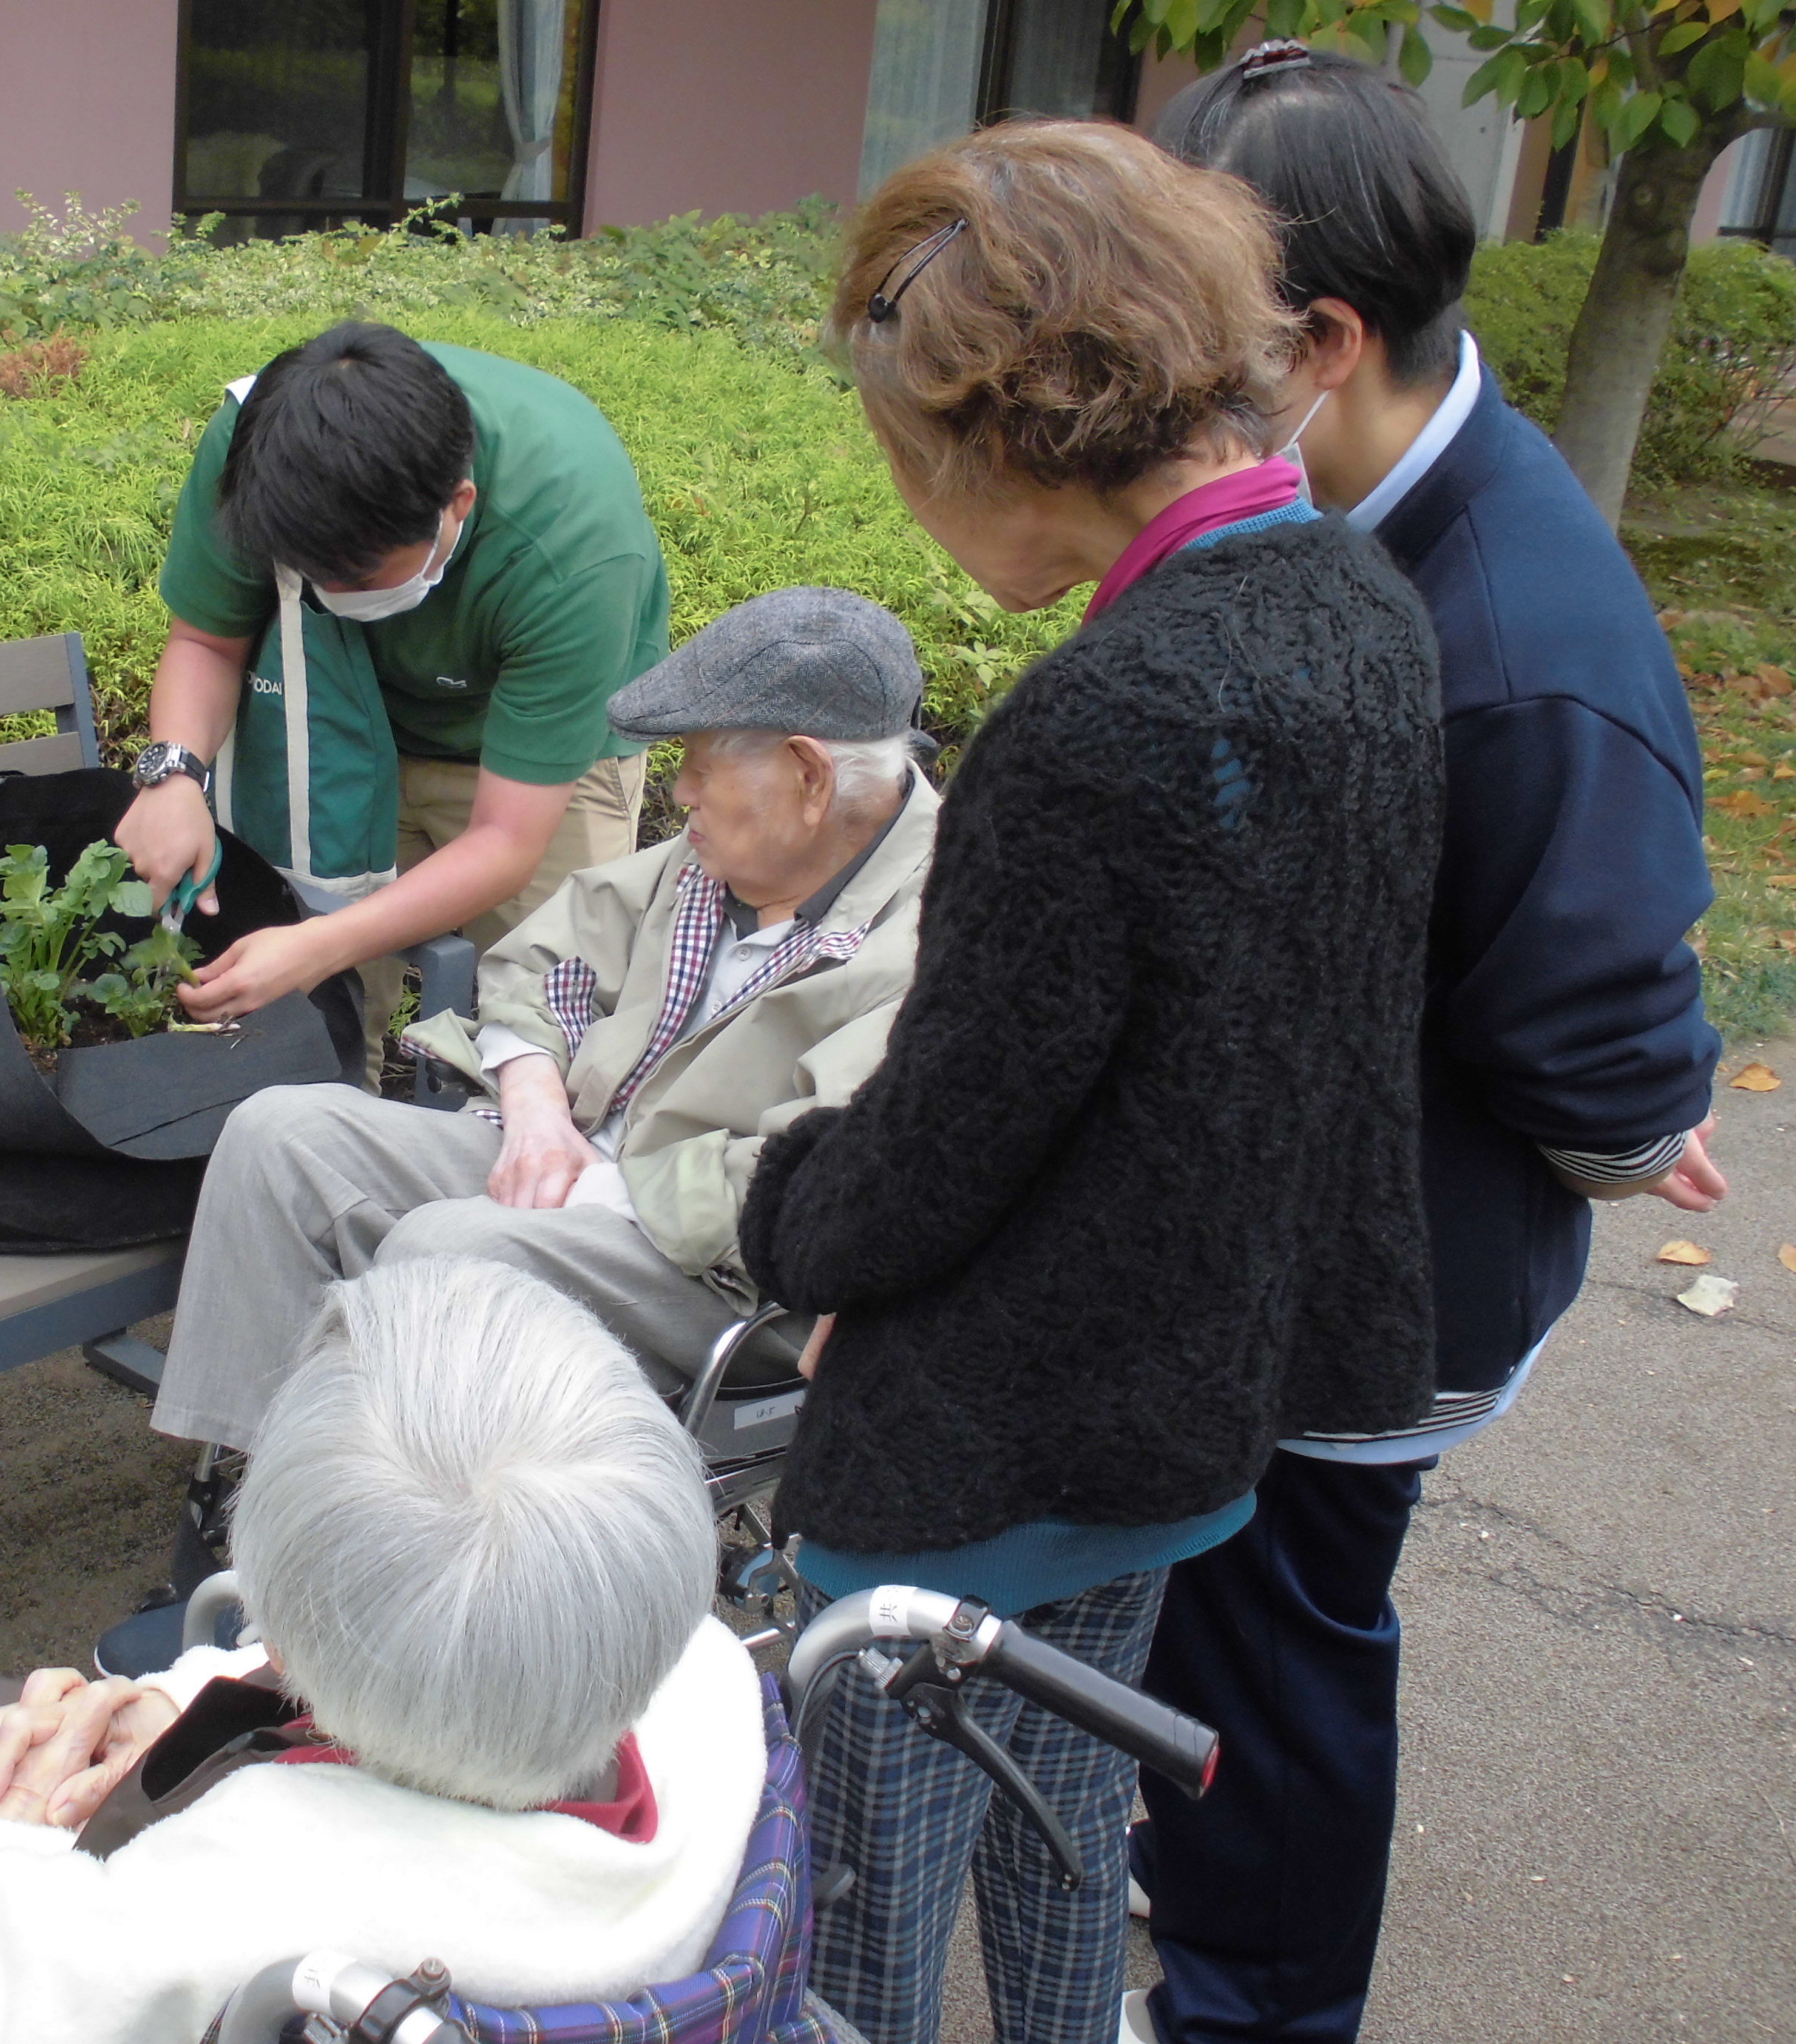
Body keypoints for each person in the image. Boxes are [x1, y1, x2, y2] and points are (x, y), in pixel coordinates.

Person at [731, 120, 1446, 2044]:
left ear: (985, 439)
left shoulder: (1100, 720)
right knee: (1068, 1807)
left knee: (872, 1878)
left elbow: (945, 1143)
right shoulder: (1362, 608)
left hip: (988, 1441)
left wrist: (782, 1201)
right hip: (1194, 1405)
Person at [1129, 46, 1727, 2044]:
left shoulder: (1521, 654)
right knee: (1232, 1640)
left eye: (1199, 345)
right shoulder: (1376, 496)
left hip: (1378, 1293)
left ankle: (1252, 2011)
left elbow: (1611, 1081)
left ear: (1329, 339)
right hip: (1307, 1209)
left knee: (1281, 1673)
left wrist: (1642, 1101)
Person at [0, 1260, 767, 2044]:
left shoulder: (222, 1913)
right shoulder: (694, 1675)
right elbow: (411, 1641)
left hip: (45, 1912)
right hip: (317, 1815)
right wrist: (171, 1704)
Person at [95, 586, 945, 1676]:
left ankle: (385, 1604)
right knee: (280, 1138)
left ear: (810, 773)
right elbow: (542, 959)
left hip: (727, 1274)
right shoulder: (730, 855)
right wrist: (538, 1110)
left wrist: (599, 1174)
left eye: (694, 763)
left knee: (445, 1255)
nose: (675, 790)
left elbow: (812, 1184)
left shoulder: (934, 933)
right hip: (584, 1159)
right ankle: (262, 1530)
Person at [115, 320, 667, 1057]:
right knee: (324, 1025)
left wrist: (318, 942)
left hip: (542, 772)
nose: (329, 594)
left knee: (551, 1020)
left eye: (360, 577)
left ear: (458, 505)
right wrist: (174, 775)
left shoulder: (572, 550)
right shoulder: (259, 454)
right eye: (309, 574)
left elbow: (507, 840)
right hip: (348, 718)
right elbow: (207, 641)